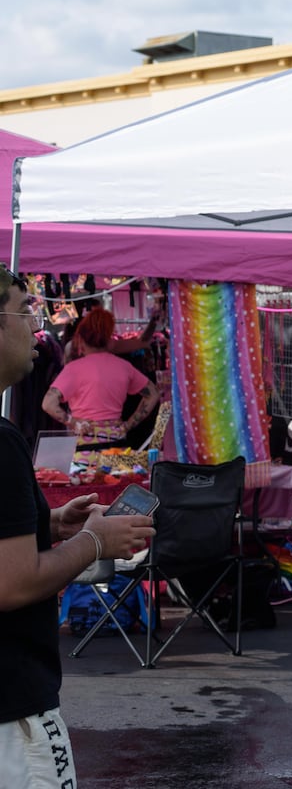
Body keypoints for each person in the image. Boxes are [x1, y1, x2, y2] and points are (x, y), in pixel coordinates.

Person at [0, 264, 156, 787]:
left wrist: (48, 525)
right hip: (11, 706)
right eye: (25, 311)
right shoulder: (1, 443)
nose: (38, 328)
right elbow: (14, 582)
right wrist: (96, 541)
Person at [41, 307, 160, 449]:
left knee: (81, 472)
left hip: (84, 444)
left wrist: (72, 421)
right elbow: (153, 394)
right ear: (109, 339)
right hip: (116, 443)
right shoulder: (124, 366)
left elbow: (48, 403)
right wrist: (128, 425)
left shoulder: (73, 369)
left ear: (81, 340)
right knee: (118, 472)